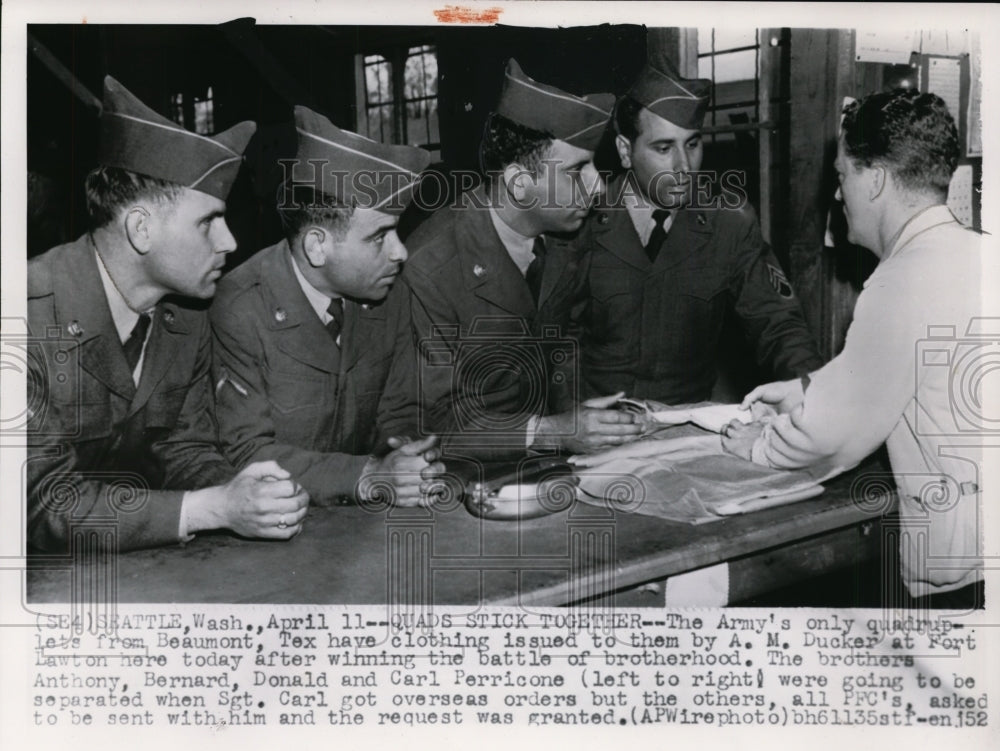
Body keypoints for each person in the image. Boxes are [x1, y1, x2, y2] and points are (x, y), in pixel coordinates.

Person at [723, 89, 986, 608]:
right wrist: (807, 389)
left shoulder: (902, 280)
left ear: (877, 179)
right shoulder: (980, 252)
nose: (838, 195)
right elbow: (897, 376)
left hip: (966, 573)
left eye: (843, 175)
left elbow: (830, 438)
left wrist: (755, 445)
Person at [27, 76, 309, 555]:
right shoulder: (25, 315)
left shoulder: (185, 313)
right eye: (207, 222)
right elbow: (41, 505)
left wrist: (243, 493)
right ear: (141, 229)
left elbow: (183, 447)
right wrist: (212, 508)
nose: (230, 242)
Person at [405, 58, 643, 459]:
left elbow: (567, 343)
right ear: (519, 184)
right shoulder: (430, 267)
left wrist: (585, 419)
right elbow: (428, 423)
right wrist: (551, 432)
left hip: (545, 462)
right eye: (577, 170)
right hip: (460, 472)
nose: (598, 186)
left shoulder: (566, 237)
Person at [210, 106, 445, 507]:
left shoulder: (388, 291)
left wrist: (407, 457)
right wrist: (369, 476)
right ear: (318, 245)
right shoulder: (241, 307)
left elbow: (401, 407)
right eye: (379, 236)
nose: (400, 251)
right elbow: (244, 452)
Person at [577, 61, 823, 404]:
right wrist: (570, 423)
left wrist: (809, 393)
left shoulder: (729, 222)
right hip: (595, 427)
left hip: (686, 424)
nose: (683, 167)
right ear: (624, 151)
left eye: (692, 145)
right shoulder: (580, 220)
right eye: (663, 149)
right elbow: (552, 339)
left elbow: (778, 323)